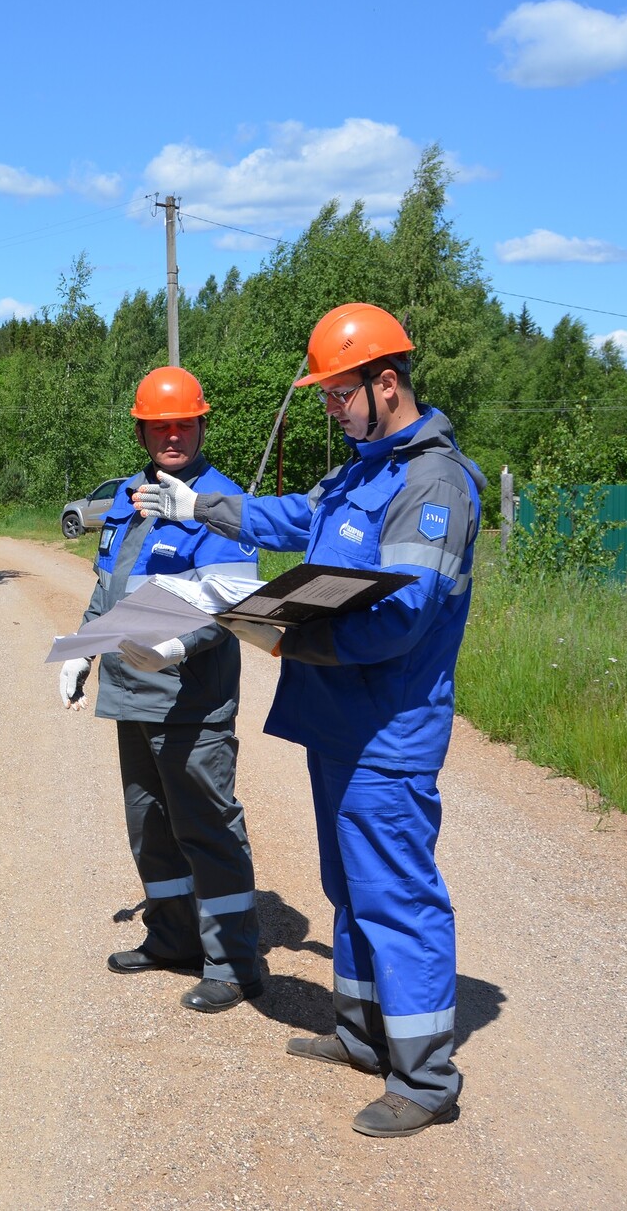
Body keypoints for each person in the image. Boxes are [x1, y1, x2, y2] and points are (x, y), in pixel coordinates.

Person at [133, 303, 484, 1138]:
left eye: (337, 394)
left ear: (385, 383)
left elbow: (402, 616)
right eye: (324, 395)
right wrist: (201, 509)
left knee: (396, 895)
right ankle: (365, 1035)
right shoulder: (366, 466)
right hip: (339, 726)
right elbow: (291, 519)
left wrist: (290, 637)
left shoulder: (431, 483)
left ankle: (426, 1077)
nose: (329, 409)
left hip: (388, 731)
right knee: (348, 887)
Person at [60, 365, 265, 1013]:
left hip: (191, 697)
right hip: (129, 690)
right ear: (143, 431)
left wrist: (180, 643)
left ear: (201, 424)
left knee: (206, 823)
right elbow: (108, 589)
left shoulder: (221, 503)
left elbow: (230, 601)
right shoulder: (127, 497)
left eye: (183, 423)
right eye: (159, 425)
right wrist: (82, 652)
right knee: (149, 823)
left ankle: (233, 962)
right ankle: (173, 936)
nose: (171, 435)